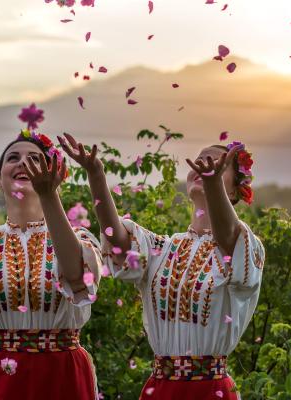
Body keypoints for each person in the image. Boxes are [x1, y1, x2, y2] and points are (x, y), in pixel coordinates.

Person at [59, 133, 264, 399]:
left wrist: (213, 187)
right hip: (161, 387)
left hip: (210, 389)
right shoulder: (164, 248)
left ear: (235, 190)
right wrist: (96, 174)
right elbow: (117, 240)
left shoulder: (246, 247)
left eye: (217, 163)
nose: (204, 165)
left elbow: (228, 236)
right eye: (200, 160)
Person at [0, 105, 102, 400]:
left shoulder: (78, 238)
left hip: (62, 373)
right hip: (1, 376)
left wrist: (48, 195)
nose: (23, 163)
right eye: (13, 158)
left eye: (35, 159)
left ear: (54, 175)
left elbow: (75, 274)